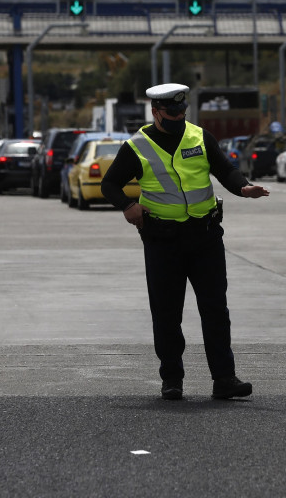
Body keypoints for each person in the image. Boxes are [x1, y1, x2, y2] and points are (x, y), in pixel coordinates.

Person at [101, 83, 270, 401]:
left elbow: (225, 170)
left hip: (204, 237)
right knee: (166, 313)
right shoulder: (138, 146)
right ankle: (172, 379)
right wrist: (127, 206)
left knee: (215, 309)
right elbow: (109, 184)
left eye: (182, 111)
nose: (179, 116)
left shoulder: (199, 136)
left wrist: (244, 187)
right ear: (156, 111)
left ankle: (224, 379)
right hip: (162, 241)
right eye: (172, 111)